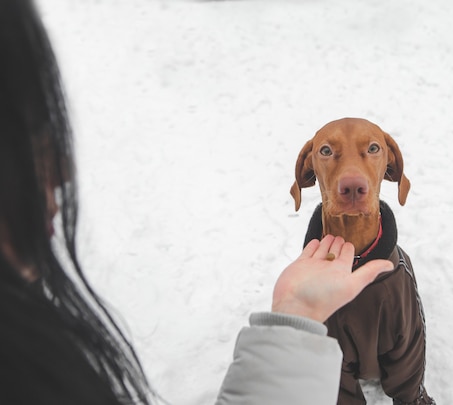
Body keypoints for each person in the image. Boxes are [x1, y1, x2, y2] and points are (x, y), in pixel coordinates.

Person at [0, 1, 393, 404]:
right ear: (305, 172)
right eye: (24, 134)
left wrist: (296, 318)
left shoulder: (31, 339)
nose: (63, 171)